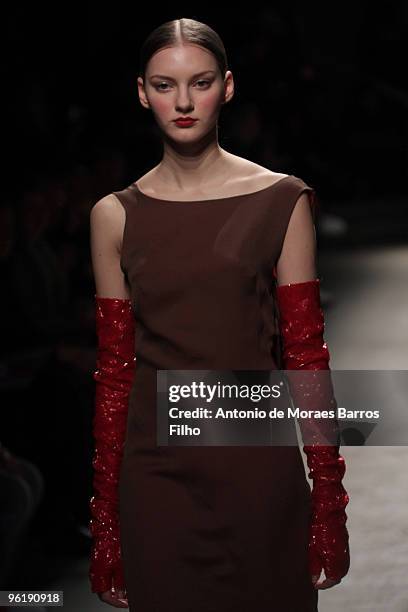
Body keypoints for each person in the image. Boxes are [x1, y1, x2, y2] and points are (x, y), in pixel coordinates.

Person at [88, 17, 350, 612]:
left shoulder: (283, 200)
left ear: (227, 87)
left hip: (259, 473)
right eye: (163, 85)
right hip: (157, 481)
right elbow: (113, 376)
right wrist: (106, 525)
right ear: (140, 91)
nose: (182, 101)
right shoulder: (114, 216)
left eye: (199, 82)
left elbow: (306, 358)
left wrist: (327, 507)